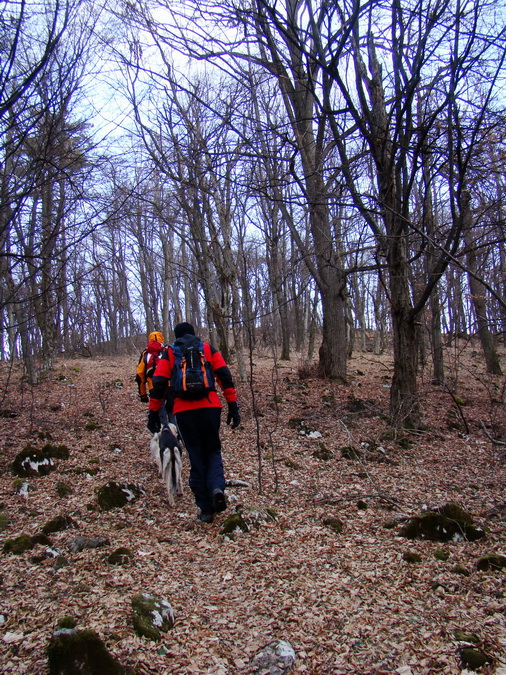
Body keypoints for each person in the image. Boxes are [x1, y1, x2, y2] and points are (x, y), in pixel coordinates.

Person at [147, 322, 241, 523]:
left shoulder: (170, 353)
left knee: (195, 454)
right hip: (210, 407)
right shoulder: (207, 349)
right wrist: (233, 406)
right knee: (213, 450)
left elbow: (159, 384)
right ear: (193, 334)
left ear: (176, 336)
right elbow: (225, 376)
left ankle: (206, 509)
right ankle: (216, 487)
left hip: (184, 411)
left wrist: (153, 413)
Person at [135, 331, 165, 403]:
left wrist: (143, 394)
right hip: (168, 386)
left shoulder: (146, 353)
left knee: (158, 409)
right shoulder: (167, 350)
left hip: (153, 386)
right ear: (162, 339)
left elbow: (140, 374)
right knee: (171, 410)